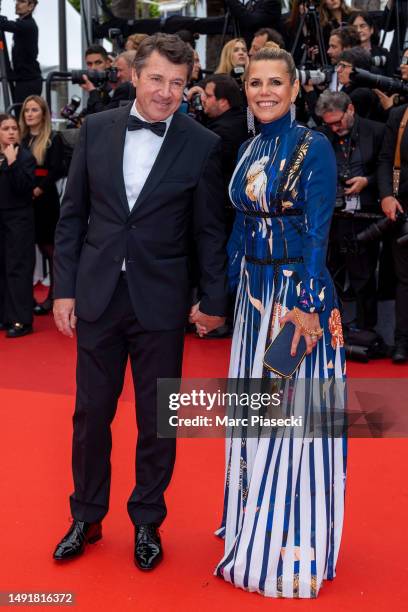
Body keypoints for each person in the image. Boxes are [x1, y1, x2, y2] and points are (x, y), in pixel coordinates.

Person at [52, 33, 228, 570]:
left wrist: (214, 298)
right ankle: (86, 515)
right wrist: (63, 287)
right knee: (91, 415)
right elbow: (73, 217)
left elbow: (209, 233)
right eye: (157, 79)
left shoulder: (201, 143)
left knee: (158, 420)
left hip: (161, 300)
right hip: (99, 295)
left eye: (178, 83)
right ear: (133, 75)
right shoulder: (98, 129)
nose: (166, 92)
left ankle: (147, 519)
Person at [215, 47, 346, 598]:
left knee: (296, 425)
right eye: (254, 83)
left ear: (296, 90)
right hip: (253, 301)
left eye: (275, 82)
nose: (264, 91)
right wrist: (219, 298)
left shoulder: (314, 148)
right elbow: (241, 229)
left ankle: (292, 542)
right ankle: (251, 527)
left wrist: (310, 306)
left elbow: (320, 231)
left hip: (296, 304)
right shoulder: (248, 148)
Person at [316, 90, 385, 331]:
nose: (335, 128)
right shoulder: (322, 136)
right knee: (329, 272)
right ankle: (329, 327)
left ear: (351, 109)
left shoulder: (376, 131)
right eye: (329, 124)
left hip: (366, 215)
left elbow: (388, 171)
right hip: (331, 216)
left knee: (363, 276)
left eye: (338, 121)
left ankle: (367, 332)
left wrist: (367, 181)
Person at [19, 95, 64, 315]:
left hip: (45, 199)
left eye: (34, 110)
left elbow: (57, 169)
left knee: (51, 250)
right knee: (33, 248)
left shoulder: (52, 138)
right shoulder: (20, 139)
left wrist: (38, 189)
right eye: (27, 110)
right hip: (24, 200)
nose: (29, 114)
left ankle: (56, 295)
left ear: (44, 113)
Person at [377, 101, 408, 363]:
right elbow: (386, 158)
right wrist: (386, 195)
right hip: (401, 208)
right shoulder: (399, 114)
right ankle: (402, 341)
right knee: (405, 280)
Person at [0, 113, 36, 338]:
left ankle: (21, 320)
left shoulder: (25, 157)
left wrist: (12, 163)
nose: (11, 131)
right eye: (6, 128)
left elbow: (24, 188)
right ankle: (5, 316)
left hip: (19, 220)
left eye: (14, 128)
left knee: (17, 269)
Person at [0, 0, 42, 104]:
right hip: (22, 80)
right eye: (17, 1)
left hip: (28, 82)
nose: (17, 4)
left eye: (22, 1)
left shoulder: (28, 25)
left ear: (31, 6)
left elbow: (5, 24)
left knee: (23, 116)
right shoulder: (22, 24)